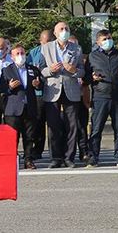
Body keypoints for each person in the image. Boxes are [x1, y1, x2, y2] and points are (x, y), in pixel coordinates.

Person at [40, 22, 84, 168]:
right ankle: (55, 158)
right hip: (53, 91)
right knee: (53, 126)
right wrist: (51, 70)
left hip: (71, 89)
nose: (64, 31)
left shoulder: (76, 48)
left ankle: (69, 157)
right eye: (61, 29)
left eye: (66, 29)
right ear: (55, 32)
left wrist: (73, 70)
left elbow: (82, 71)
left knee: (72, 126)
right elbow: (41, 70)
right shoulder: (46, 48)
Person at [86, 30, 118, 167]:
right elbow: (85, 77)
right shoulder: (93, 56)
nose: (108, 41)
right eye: (104, 39)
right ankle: (93, 157)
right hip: (100, 96)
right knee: (97, 128)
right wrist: (92, 78)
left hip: (117, 96)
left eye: (109, 38)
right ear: (98, 42)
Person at [0, 44, 43, 169]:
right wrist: (10, 87)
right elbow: (1, 88)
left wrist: (37, 85)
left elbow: (41, 85)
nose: (20, 56)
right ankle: (12, 159)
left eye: (22, 53)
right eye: (17, 54)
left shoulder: (33, 69)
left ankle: (28, 160)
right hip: (13, 109)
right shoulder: (7, 70)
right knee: (13, 137)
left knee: (29, 136)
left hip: (29, 106)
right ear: (12, 57)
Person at [28, 30, 53, 160]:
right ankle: (37, 150)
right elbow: (29, 69)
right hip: (38, 93)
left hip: (53, 92)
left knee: (54, 124)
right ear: (40, 41)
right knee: (38, 122)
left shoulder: (55, 52)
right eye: (45, 41)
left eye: (49, 41)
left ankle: (55, 152)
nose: (47, 43)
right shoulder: (34, 53)